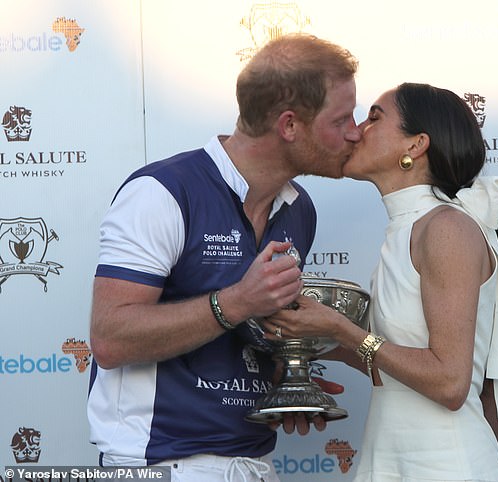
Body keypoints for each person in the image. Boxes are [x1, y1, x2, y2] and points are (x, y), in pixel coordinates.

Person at [86, 33, 361, 481]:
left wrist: (288, 383)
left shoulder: (299, 209)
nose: (355, 132)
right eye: (342, 118)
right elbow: (110, 339)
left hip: (253, 464)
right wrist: (235, 302)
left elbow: (248, 339)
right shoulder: (163, 192)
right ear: (289, 126)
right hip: (160, 466)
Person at [263, 82, 498, 481]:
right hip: (393, 458)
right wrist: (305, 342)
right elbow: (395, 367)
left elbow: (449, 382)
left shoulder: (445, 227)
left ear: (415, 146)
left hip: (444, 466)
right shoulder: (408, 228)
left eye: (374, 117)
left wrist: (341, 330)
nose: (356, 130)